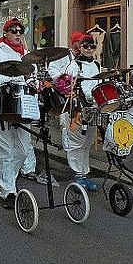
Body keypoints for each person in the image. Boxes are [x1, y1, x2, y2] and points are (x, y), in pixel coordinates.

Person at [0, 17, 37, 209]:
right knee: (4, 151)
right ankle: (7, 190)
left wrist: (34, 83)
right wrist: (14, 80)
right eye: (13, 31)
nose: (17, 34)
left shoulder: (28, 55)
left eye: (20, 31)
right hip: (3, 107)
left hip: (23, 107)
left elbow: (34, 77)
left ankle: (9, 178)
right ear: (5, 33)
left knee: (23, 150)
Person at [49, 32, 101, 192]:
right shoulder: (74, 65)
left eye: (92, 46)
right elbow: (66, 86)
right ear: (80, 47)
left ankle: (84, 173)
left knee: (87, 143)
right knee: (75, 142)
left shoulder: (97, 65)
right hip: (76, 109)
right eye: (86, 46)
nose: (89, 49)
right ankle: (78, 175)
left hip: (92, 108)